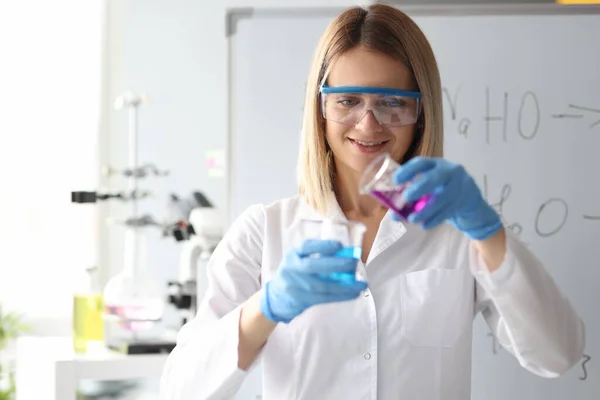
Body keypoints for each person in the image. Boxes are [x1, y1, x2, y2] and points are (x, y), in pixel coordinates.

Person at [159, 4, 585, 400]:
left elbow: (556, 354)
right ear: (320, 108)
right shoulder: (264, 232)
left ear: (422, 111)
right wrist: (264, 308)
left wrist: (489, 231)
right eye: (347, 101)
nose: (368, 123)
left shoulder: (456, 231)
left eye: (392, 103)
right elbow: (181, 390)